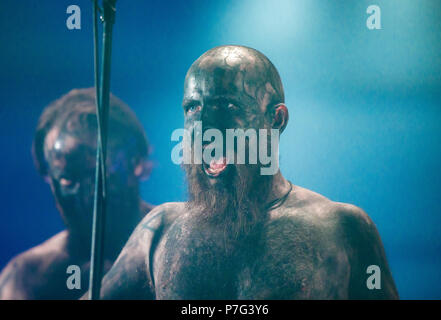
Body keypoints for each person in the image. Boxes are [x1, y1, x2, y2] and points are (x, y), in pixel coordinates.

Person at [91, 46, 398, 299]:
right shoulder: (159, 230)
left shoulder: (343, 228)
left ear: (276, 119)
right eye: (193, 108)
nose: (202, 127)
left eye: (225, 106)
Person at [0, 88, 154, 299]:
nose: (86, 196)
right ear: (49, 178)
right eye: (68, 179)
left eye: (99, 176)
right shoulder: (28, 277)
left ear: (136, 163)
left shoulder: (178, 244)